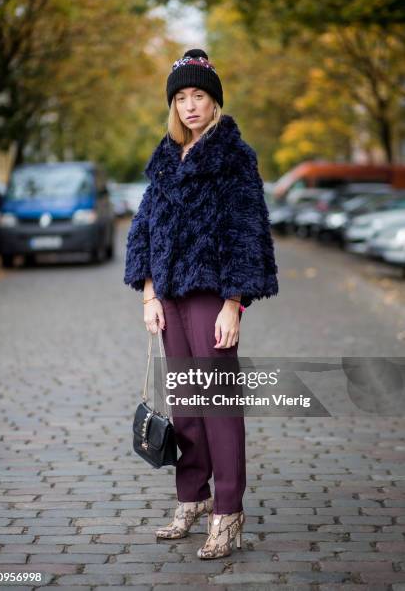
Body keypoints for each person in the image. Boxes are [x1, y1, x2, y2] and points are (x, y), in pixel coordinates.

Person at [124, 48, 279, 559]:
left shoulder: (234, 156)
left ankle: (228, 513)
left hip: (212, 294)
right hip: (169, 295)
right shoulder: (167, 157)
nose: (191, 106)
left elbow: (247, 231)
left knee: (218, 406)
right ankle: (191, 498)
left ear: (214, 102)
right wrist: (148, 294)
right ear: (174, 105)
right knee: (187, 408)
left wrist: (234, 302)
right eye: (183, 97)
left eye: (200, 96)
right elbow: (145, 229)